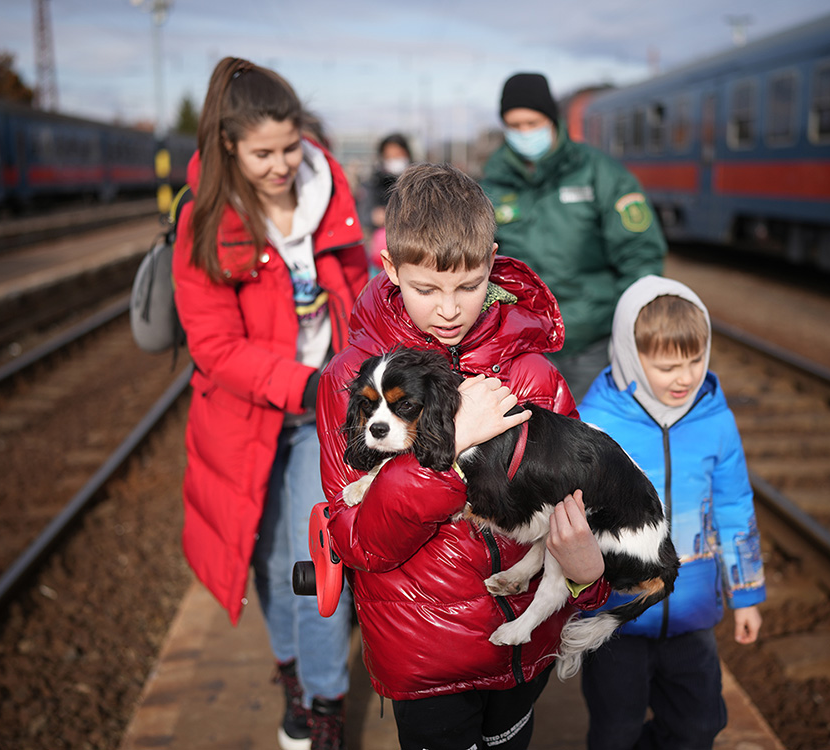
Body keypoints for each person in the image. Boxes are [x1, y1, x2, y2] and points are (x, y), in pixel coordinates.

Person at [316, 163, 612, 750]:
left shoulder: (530, 374)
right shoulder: (355, 381)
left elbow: (579, 499)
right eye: (427, 289)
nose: (450, 308)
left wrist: (588, 577)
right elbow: (357, 540)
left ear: (491, 262)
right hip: (426, 659)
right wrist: (448, 453)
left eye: (469, 285)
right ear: (392, 269)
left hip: (524, 651)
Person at [171, 57, 369, 750]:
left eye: (291, 147)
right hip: (247, 421)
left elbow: (359, 286)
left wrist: (347, 375)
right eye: (263, 154)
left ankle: (324, 711)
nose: (283, 164)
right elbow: (216, 348)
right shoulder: (206, 222)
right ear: (228, 145)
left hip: (322, 416)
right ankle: (292, 678)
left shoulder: (328, 193)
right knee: (268, 568)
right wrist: (304, 383)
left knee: (314, 567)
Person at [575, 275, 766, 750]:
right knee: (614, 731)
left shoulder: (716, 419)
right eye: (667, 366)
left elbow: (734, 505)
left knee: (699, 726)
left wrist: (747, 594)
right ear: (629, 356)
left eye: (695, 361)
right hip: (615, 616)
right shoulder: (596, 423)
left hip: (691, 613)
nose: (685, 377)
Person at [480, 72, 668, 401]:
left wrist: (628, 323)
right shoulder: (492, 186)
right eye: (515, 125)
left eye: (532, 122)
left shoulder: (600, 173)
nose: (525, 133)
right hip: (523, 348)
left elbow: (640, 253)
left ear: (552, 120)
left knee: (593, 438)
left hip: (594, 344)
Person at [356, 132, 413, 273]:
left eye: (398, 155)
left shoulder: (417, 183)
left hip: (412, 251)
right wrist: (373, 216)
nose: (394, 160)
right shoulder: (373, 183)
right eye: (390, 156)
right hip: (381, 254)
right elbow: (362, 214)